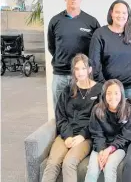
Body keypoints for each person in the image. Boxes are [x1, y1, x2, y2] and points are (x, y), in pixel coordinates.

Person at [41, 54, 102, 182]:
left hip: (85, 137)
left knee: (69, 163)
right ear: (73, 71)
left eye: (83, 68)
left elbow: (98, 120)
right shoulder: (68, 90)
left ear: (90, 70)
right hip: (66, 135)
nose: (80, 72)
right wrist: (68, 135)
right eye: (77, 69)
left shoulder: (99, 90)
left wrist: (82, 136)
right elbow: (60, 116)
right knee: (52, 163)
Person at [47, 0, 100, 108]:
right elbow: (52, 47)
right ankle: (60, 129)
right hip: (60, 75)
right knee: (60, 110)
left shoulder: (91, 22)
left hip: (83, 75)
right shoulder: (55, 21)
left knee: (83, 111)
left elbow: (96, 49)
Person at [85, 79, 131, 182]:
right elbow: (97, 133)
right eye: (109, 93)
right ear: (104, 95)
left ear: (122, 94)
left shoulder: (130, 111)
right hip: (101, 145)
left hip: (119, 147)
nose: (113, 97)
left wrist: (110, 150)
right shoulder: (97, 109)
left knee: (109, 167)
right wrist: (101, 150)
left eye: (116, 93)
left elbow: (126, 136)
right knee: (92, 171)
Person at [89, 0, 131, 100]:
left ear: (128, 15)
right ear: (111, 13)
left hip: (130, 89)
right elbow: (94, 63)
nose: (120, 15)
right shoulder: (100, 34)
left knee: (129, 115)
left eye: (124, 13)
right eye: (117, 12)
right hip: (107, 88)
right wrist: (105, 85)